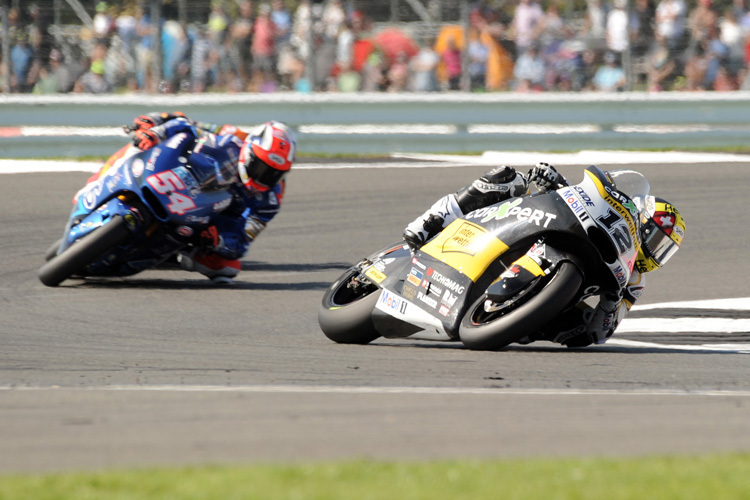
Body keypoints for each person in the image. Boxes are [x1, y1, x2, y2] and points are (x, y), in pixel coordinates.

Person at [402, 162, 686, 348]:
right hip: (520, 222)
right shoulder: (615, 220)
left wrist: (611, 303)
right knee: (507, 178)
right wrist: (555, 182)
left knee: (582, 330)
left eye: (664, 248)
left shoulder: (634, 282)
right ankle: (433, 220)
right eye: (654, 238)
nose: (655, 250)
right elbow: (581, 201)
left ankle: (519, 317)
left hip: (546, 309)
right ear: (640, 221)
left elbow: (601, 333)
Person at [126, 112, 297, 281]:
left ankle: (183, 255)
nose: (263, 178)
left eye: (273, 174)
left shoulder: (271, 200)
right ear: (250, 150)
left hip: (211, 221)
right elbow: (187, 124)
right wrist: (156, 130)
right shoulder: (231, 136)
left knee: (228, 268)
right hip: (184, 184)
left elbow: (242, 242)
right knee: (147, 139)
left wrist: (219, 241)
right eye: (260, 167)